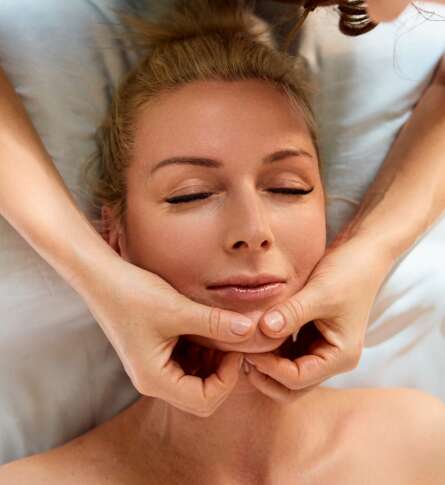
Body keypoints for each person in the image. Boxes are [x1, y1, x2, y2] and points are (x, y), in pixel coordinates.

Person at [0, 2, 444, 483]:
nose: (253, 230)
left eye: (288, 188)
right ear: (115, 235)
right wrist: (94, 275)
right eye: (191, 195)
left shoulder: (422, 441)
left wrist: (373, 251)